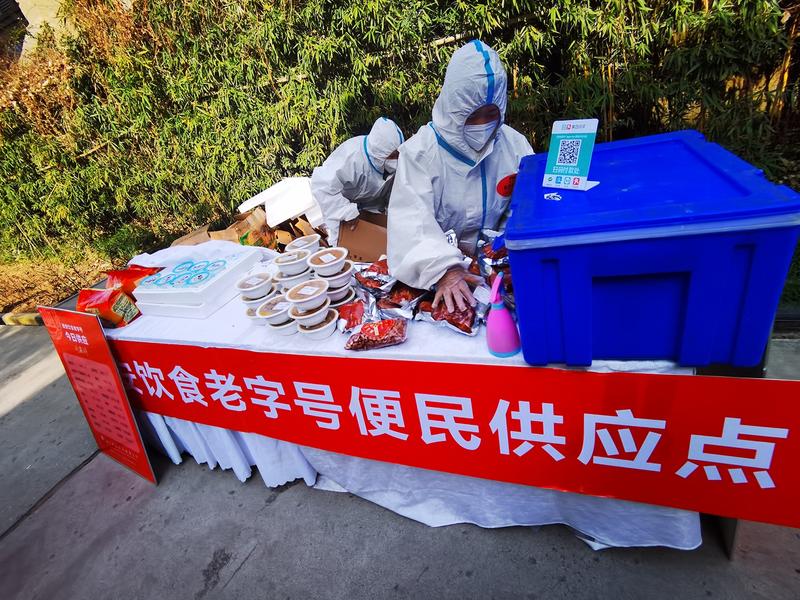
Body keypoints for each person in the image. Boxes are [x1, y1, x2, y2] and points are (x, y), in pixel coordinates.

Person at [387, 40, 533, 312]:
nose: (482, 124)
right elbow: (411, 224)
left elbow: (525, 209)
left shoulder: (515, 146)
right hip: (438, 281)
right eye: (473, 115)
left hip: (499, 275)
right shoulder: (420, 154)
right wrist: (445, 269)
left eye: (491, 114)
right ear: (454, 107)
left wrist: (503, 254)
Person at [311, 117, 404, 245]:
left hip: (372, 213)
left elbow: (391, 193)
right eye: (393, 155)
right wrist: (345, 211)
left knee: (375, 247)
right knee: (343, 248)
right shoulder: (351, 156)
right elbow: (322, 186)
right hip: (341, 213)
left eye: (398, 154)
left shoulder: (388, 164)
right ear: (379, 152)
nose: (397, 159)